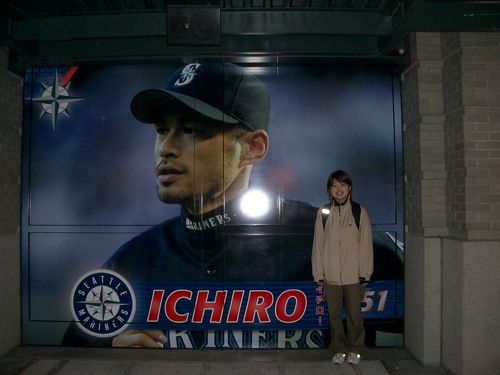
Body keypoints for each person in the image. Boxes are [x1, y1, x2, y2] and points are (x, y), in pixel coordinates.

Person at [62, 62, 318, 348]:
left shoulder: (325, 238)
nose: (165, 148)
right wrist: (109, 359)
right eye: (161, 130)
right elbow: (70, 356)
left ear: (252, 148)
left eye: (192, 130)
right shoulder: (132, 262)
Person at [311, 170, 374, 365]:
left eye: (343, 185)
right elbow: (318, 244)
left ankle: (356, 348)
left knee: (355, 316)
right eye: (334, 185)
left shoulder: (359, 211)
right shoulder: (323, 212)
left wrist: (364, 273)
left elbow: (366, 244)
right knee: (334, 316)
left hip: (353, 277)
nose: (339, 189)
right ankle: (339, 348)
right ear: (330, 190)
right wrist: (319, 274)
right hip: (330, 277)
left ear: (349, 189)